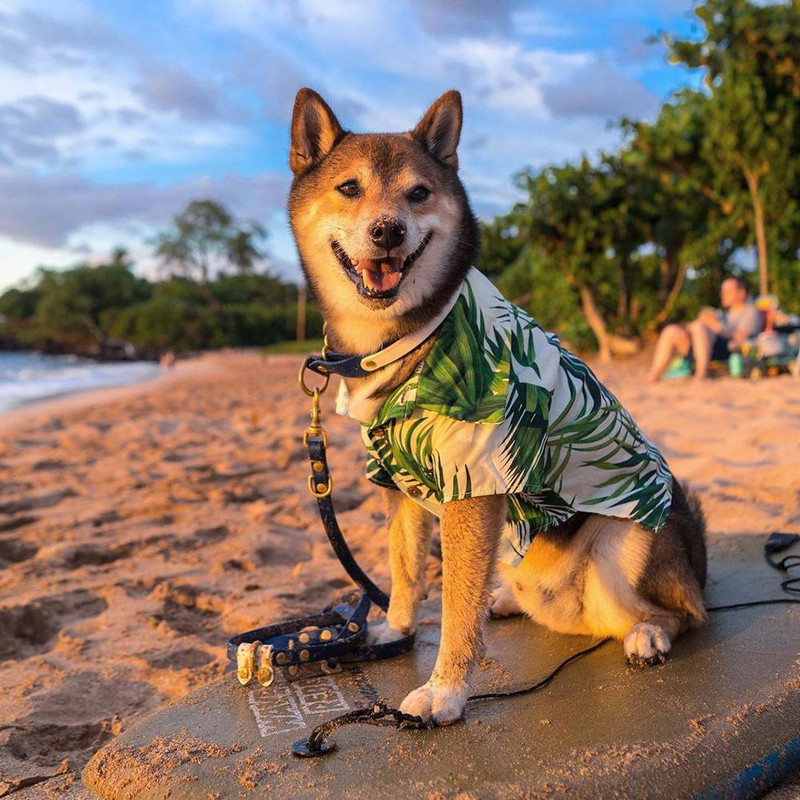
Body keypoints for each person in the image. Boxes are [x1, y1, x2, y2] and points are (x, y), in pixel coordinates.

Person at [648, 276, 763, 382]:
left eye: (727, 291)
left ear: (741, 293)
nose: (723, 294)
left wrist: (715, 325)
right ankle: (654, 376)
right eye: (722, 291)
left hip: (728, 350)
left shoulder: (751, 312)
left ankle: (701, 374)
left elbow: (740, 338)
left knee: (700, 327)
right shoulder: (723, 314)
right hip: (703, 346)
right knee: (671, 330)